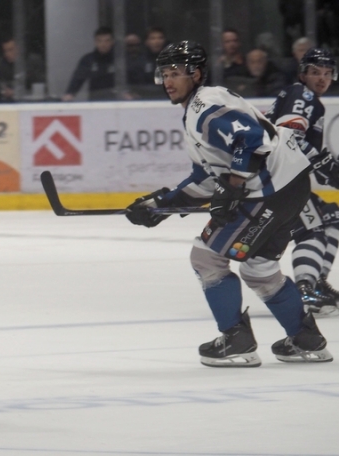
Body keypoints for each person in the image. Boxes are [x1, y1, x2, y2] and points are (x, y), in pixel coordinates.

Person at [125, 41, 332, 367]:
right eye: (165, 73)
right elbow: (208, 176)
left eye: (176, 73)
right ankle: (307, 340)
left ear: (195, 74)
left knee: (206, 258)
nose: (168, 81)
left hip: (269, 191)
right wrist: (162, 205)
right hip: (290, 187)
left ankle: (237, 341)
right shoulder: (202, 105)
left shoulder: (203, 107)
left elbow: (252, 140)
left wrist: (233, 186)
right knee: (260, 269)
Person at [265, 48, 339, 318]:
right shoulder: (303, 95)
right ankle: (305, 287)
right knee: (313, 230)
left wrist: (325, 166)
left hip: (283, 178)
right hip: (277, 182)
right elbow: (288, 138)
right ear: (302, 74)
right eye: (316, 72)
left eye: (327, 73)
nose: (322, 78)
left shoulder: (304, 97)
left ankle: (316, 280)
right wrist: (324, 164)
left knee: (333, 218)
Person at [62, 26, 115, 101]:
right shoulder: (88, 60)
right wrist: (70, 94)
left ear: (112, 42)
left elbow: (130, 78)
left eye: (107, 41)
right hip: (95, 102)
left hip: (117, 102)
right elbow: (77, 79)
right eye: (99, 41)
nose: (103, 44)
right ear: (95, 42)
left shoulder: (119, 60)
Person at [0, 36, 46, 102]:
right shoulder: (1, 65)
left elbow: (41, 88)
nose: (7, 54)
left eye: (10, 50)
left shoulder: (33, 62)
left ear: (19, 48)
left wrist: (17, 93)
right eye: (5, 51)